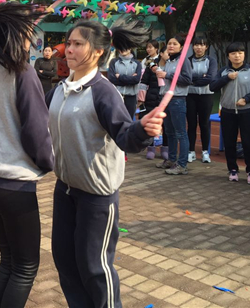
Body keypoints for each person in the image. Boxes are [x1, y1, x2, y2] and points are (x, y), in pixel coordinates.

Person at [46, 18, 165, 308]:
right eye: (69, 43)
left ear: (98, 51)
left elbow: (126, 137)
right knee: (65, 261)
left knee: (94, 267)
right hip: (65, 190)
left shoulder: (103, 91)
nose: (69, 49)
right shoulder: (60, 89)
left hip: (96, 196)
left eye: (78, 44)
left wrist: (143, 129)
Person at [0, 2, 54, 308]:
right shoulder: (23, 72)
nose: (31, 38)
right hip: (14, 183)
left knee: (8, 261)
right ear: (15, 35)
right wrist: (50, 163)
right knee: (24, 267)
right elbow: (36, 131)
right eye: (27, 32)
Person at [210, 42, 250, 184]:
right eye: (233, 53)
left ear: (244, 55)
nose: (237, 56)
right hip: (228, 113)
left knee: (249, 143)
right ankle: (232, 169)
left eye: (240, 53)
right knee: (229, 142)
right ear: (228, 56)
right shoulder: (223, 71)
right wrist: (227, 78)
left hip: (247, 112)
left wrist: (246, 99)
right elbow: (212, 86)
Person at [155, 35, 193, 175]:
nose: (171, 46)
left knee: (180, 133)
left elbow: (187, 79)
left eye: (175, 44)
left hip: (177, 99)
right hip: (165, 98)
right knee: (169, 132)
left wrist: (167, 75)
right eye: (169, 43)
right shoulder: (169, 61)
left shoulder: (184, 61)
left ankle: (182, 164)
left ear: (181, 47)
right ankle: (171, 159)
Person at [187, 37, 218, 164]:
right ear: (193, 47)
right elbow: (186, 77)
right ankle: (191, 151)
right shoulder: (188, 61)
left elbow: (211, 78)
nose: (199, 47)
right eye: (196, 45)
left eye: (202, 45)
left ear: (206, 47)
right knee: (191, 124)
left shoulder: (211, 61)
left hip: (206, 95)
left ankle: (205, 151)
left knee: (204, 124)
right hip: (190, 95)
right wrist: (201, 78)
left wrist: (194, 80)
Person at [140, 41, 168, 159]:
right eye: (167, 53)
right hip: (151, 98)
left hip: (165, 98)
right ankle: (150, 148)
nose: (169, 55)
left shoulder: (171, 66)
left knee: (166, 124)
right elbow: (143, 82)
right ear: (161, 53)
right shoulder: (151, 65)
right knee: (151, 122)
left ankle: (165, 148)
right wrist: (141, 98)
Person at [107, 47, 142, 119]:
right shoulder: (114, 62)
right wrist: (130, 79)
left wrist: (120, 77)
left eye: (125, 46)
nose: (123, 48)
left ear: (130, 48)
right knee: (116, 119)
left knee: (129, 120)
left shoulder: (137, 63)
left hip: (131, 97)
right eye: (121, 46)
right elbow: (111, 79)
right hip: (117, 96)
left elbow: (136, 80)